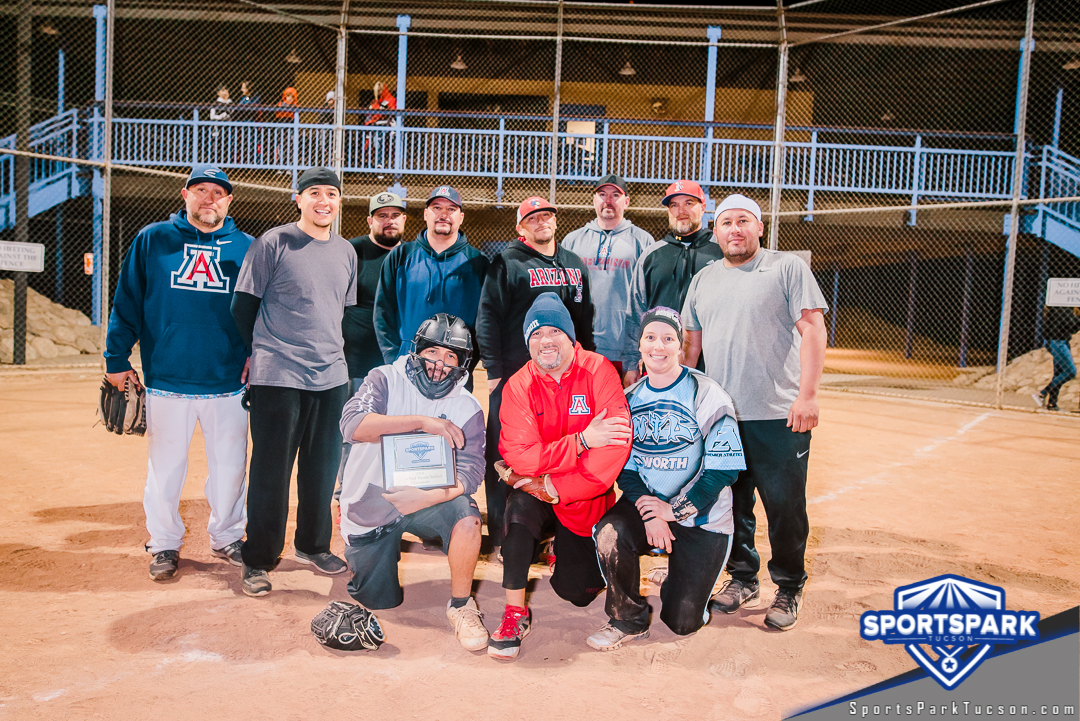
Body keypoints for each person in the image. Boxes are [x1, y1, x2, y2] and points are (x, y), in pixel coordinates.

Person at [682, 193, 828, 632]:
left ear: (760, 227)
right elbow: (692, 347)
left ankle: (788, 585)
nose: (735, 230)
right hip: (722, 416)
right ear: (716, 230)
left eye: (744, 221)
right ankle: (743, 578)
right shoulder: (704, 279)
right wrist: (685, 401)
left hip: (778, 414)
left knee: (784, 506)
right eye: (726, 222)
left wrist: (808, 395)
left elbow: (814, 329)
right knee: (733, 502)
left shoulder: (786, 268)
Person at [103, 164, 253, 581]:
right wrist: (116, 358)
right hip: (168, 379)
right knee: (165, 468)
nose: (209, 198)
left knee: (231, 467)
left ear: (229, 201)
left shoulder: (247, 248)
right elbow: (127, 301)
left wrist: (257, 353)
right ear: (184, 194)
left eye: (218, 192)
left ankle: (227, 536)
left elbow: (264, 312)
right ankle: (164, 542)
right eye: (200, 190)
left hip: (228, 381)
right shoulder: (154, 240)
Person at [231, 167, 358, 598]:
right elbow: (243, 306)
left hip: (331, 376)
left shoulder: (346, 251)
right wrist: (257, 354)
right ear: (298, 199)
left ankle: (312, 545)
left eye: (332, 194)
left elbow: (337, 312)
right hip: (279, 373)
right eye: (315, 193)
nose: (324, 201)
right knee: (271, 471)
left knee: (322, 469)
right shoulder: (274, 242)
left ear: (339, 202)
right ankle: (258, 559)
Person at [590, 307, 744, 650]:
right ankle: (627, 619)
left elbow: (724, 468)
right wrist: (651, 512)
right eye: (650, 337)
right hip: (652, 507)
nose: (658, 346)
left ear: (680, 346)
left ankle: (679, 576)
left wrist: (674, 511)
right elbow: (626, 471)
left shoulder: (707, 393)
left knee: (683, 623)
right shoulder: (628, 399)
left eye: (668, 338)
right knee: (609, 533)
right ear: (641, 345)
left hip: (703, 517)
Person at [488, 293, 631, 660]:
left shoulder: (599, 371)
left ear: (571, 337)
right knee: (518, 511)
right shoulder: (519, 384)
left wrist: (553, 484)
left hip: (581, 498)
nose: (545, 340)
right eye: (536, 334)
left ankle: (558, 550)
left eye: (554, 331)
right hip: (537, 492)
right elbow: (518, 454)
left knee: (578, 593)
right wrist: (581, 440)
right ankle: (514, 613)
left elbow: (612, 454)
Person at [338, 314, 489, 652]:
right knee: (380, 603)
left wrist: (425, 498)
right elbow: (352, 425)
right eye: (434, 352)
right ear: (418, 350)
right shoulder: (385, 378)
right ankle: (373, 553)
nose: (440, 363)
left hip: (429, 498)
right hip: (372, 502)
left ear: (463, 363)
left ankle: (462, 606)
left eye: (451, 356)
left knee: (467, 518)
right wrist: (423, 422)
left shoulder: (467, 406)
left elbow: (472, 470)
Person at [475, 197, 595, 549]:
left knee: (560, 454)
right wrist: (495, 373)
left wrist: (586, 369)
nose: (540, 221)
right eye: (532, 218)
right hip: (515, 379)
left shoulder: (573, 263)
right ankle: (501, 536)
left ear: (555, 221)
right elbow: (488, 317)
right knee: (504, 455)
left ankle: (553, 535)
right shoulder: (507, 262)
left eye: (546, 215)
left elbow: (584, 321)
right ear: (521, 227)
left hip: (563, 382)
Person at [374, 185, 488, 380]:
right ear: (426, 214)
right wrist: (394, 359)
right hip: (406, 368)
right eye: (437, 208)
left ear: (461, 217)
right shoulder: (400, 256)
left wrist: (466, 364)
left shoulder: (478, 262)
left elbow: (485, 321)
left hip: (455, 371)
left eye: (451, 209)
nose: (444, 214)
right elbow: (383, 313)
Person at [622, 180, 723, 386]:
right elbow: (635, 313)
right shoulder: (652, 255)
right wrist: (631, 364)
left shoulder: (720, 251)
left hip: (713, 361)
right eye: (674, 205)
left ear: (703, 208)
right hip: (661, 359)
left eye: (688, 203)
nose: (681, 211)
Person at [337, 192, 408, 487]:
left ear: (404, 219)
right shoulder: (351, 251)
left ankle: (396, 495)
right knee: (353, 431)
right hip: (355, 361)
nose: (389, 221)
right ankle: (347, 493)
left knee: (399, 431)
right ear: (370, 220)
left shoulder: (411, 254)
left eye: (395, 215)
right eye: (382, 215)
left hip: (398, 364)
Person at [562, 174, 655, 375]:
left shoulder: (643, 241)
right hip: (580, 348)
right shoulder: (573, 241)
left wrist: (639, 354)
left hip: (624, 351)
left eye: (615, 195)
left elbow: (648, 301)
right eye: (602, 194)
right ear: (594, 200)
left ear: (627, 201)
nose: (608, 200)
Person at [1034, 305, 1080, 412]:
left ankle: (1052, 403)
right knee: (1070, 372)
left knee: (1059, 372)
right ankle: (1042, 393)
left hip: (1059, 341)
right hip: (1057, 342)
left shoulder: (1058, 307)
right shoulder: (1062, 307)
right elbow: (1072, 325)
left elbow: (1071, 327)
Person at [364, 81, 397, 168]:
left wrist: (380, 111)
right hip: (376, 126)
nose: (378, 93)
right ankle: (378, 163)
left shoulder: (390, 100)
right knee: (376, 140)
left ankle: (381, 163)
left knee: (379, 139)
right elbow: (371, 114)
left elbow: (390, 113)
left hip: (388, 126)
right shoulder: (375, 102)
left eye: (379, 91)